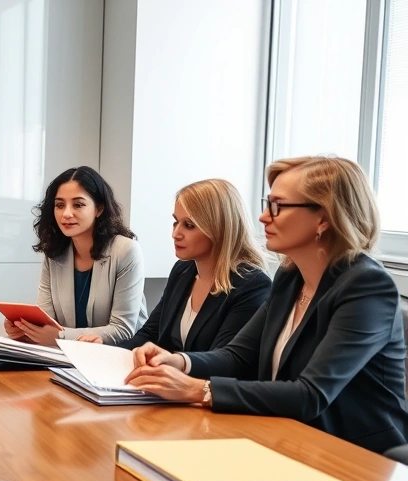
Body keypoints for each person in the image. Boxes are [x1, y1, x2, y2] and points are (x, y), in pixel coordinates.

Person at [126, 156, 408, 454]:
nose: (262, 217)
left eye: (277, 206)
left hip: (355, 454)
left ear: (323, 218)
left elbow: (310, 395)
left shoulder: (366, 286)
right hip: (287, 436)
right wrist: (179, 362)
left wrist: (197, 389)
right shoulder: (289, 277)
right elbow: (236, 357)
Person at [86, 179, 271, 352]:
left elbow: (225, 360)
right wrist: (107, 351)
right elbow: (150, 334)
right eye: (176, 222)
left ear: (219, 229)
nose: (175, 233)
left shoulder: (252, 284)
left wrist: (172, 363)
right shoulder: (183, 270)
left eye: (189, 225)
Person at [6, 166, 146, 346]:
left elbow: (122, 328)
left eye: (78, 205)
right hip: (69, 358)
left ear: (99, 209)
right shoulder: (54, 253)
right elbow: (47, 320)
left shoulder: (126, 250)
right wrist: (25, 328)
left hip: (120, 358)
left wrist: (60, 337)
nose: (66, 214)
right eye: (59, 205)